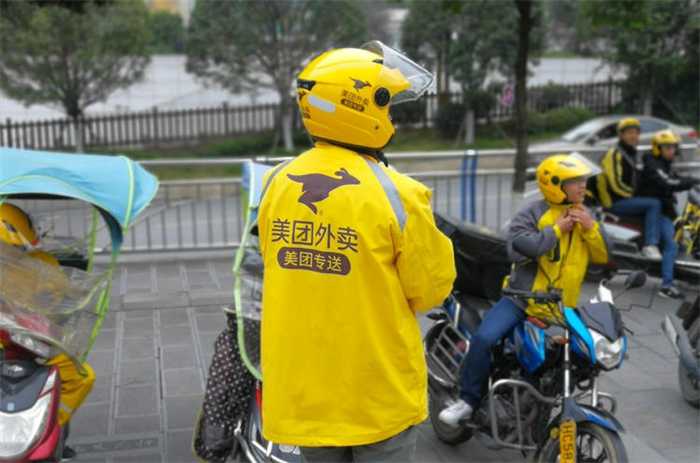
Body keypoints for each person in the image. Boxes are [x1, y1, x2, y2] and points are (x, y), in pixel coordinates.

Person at [257, 41, 456, 462]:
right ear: (364, 108)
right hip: (376, 394)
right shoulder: (399, 195)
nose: (391, 117)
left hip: (306, 394)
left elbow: (272, 259)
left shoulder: (276, 182)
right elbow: (430, 290)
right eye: (388, 106)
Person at [440, 153, 610, 425]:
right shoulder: (531, 214)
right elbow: (522, 248)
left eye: (583, 180)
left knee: (580, 358)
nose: (582, 186)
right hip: (521, 301)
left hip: (562, 308)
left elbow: (604, 257)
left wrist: (590, 229)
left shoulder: (583, 216)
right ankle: (468, 401)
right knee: (484, 339)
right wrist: (556, 230)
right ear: (555, 185)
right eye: (575, 181)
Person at [0, 202, 95, 462]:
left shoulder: (42, 264)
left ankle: (52, 427)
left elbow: (61, 302)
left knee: (80, 376)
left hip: (33, 340)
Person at [636, 130, 700, 299]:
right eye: (667, 147)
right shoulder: (653, 164)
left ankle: (681, 276)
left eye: (673, 147)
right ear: (657, 148)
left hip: (666, 210)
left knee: (682, 244)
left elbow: (676, 177)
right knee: (672, 245)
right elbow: (668, 182)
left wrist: (693, 180)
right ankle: (666, 286)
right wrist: (691, 182)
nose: (671, 150)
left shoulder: (663, 163)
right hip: (658, 212)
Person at [590, 117, 663, 259]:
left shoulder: (629, 152)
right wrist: (635, 195)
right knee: (654, 204)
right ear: (621, 135)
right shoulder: (615, 154)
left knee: (655, 200)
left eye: (636, 133)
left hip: (623, 198)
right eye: (629, 133)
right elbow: (615, 184)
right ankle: (650, 245)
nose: (633, 136)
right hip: (613, 201)